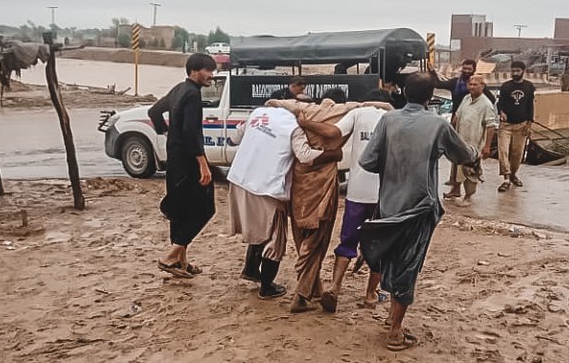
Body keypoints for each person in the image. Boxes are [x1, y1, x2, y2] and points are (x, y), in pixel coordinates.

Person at [358, 72, 477, 351]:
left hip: (388, 206)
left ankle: (392, 318)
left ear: (404, 93)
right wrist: (475, 151)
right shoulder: (437, 124)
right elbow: (464, 155)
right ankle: (395, 331)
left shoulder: (388, 120)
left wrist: (392, 166)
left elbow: (367, 161)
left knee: (392, 260)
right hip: (419, 208)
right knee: (408, 266)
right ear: (430, 97)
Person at [266, 89, 392, 313]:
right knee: (319, 241)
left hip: (303, 183)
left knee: (310, 238)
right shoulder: (349, 109)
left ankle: (325, 288)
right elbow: (334, 133)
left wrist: (302, 121)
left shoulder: (302, 108)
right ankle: (365, 294)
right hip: (331, 185)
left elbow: (271, 102)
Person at [228, 105, 339, 300]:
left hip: (239, 180)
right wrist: (333, 154)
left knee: (258, 229)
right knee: (275, 238)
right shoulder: (293, 127)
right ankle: (267, 287)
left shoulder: (259, 113)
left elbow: (235, 137)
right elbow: (305, 156)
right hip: (267, 188)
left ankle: (251, 269)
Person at [154, 53, 217, 278]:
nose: (211, 75)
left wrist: (168, 134)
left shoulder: (178, 89)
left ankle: (181, 262)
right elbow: (191, 133)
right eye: (208, 71)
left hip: (174, 159)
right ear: (194, 71)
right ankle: (170, 257)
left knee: (179, 209)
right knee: (205, 209)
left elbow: (154, 111)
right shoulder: (192, 94)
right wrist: (203, 164)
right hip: (190, 161)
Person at [444, 74, 497, 204]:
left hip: (474, 143)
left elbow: (491, 126)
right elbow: (457, 116)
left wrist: (487, 146)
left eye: (475, 85)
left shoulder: (486, 104)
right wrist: (450, 132)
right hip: (460, 140)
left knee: (470, 170)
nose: (471, 87)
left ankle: (468, 196)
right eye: (470, 84)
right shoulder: (466, 98)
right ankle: (455, 190)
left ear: (482, 86)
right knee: (456, 166)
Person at [496, 61, 535, 191]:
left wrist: (529, 123)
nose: (515, 73)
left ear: (523, 71)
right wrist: (501, 112)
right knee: (503, 151)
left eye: (518, 71)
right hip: (506, 126)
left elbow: (530, 105)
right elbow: (499, 103)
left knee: (517, 153)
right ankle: (506, 178)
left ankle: (513, 174)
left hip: (522, 125)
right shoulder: (505, 86)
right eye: (513, 71)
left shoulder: (529, 87)